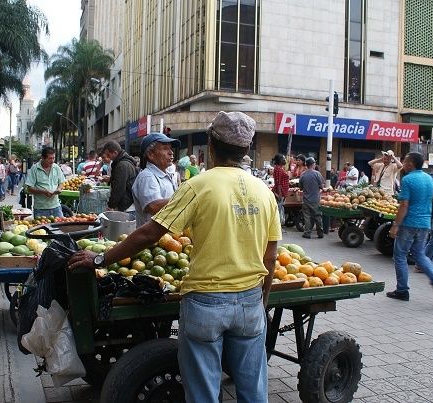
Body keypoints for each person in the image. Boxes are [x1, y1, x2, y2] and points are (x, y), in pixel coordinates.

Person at [68, 111, 280, 402]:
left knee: (203, 394)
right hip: (249, 301)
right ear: (246, 150)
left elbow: (148, 234)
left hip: (205, 302)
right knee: (254, 392)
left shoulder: (198, 186)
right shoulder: (263, 191)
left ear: (211, 144)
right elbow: (271, 257)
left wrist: (99, 259)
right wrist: (262, 300)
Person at [387, 152, 433, 302]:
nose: (403, 163)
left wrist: (395, 225)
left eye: (405, 161)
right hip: (425, 223)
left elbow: (404, 205)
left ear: (411, 164)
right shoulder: (429, 179)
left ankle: (402, 290)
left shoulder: (408, 180)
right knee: (420, 254)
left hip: (409, 223)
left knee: (400, 255)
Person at [132, 132, 180, 227]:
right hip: (153, 240)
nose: (171, 152)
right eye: (165, 148)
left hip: (167, 237)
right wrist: (183, 199)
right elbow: (153, 206)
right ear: (150, 154)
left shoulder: (167, 174)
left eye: (170, 148)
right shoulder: (147, 176)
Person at [25, 147, 65, 218]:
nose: (52, 161)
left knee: (60, 227)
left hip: (56, 206)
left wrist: (59, 189)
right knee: (42, 228)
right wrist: (44, 192)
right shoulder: (34, 169)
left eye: (53, 158)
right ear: (43, 158)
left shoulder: (56, 167)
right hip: (41, 208)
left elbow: (61, 182)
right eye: (50, 158)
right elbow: (29, 188)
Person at [100, 140, 138, 212]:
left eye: (108, 155)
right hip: (128, 205)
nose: (108, 157)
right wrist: (111, 179)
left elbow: (118, 187)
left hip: (127, 206)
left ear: (115, 153)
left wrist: (111, 205)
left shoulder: (122, 165)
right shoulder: (121, 163)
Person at [299, 157, 325, 239]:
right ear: (313, 164)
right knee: (318, 216)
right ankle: (320, 233)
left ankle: (307, 233)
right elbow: (322, 186)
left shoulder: (303, 174)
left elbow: (301, 188)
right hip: (315, 199)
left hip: (306, 200)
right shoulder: (317, 174)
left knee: (307, 217)